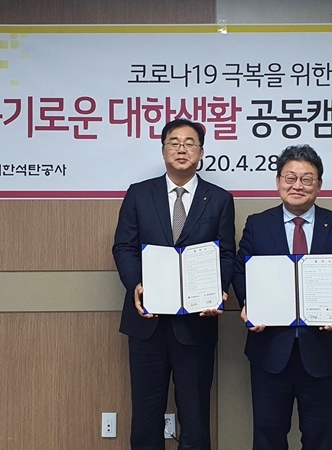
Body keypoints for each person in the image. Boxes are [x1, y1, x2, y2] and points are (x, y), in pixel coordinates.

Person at [232, 144, 332, 450]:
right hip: (270, 350)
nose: (298, 185)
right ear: (278, 181)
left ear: (319, 185)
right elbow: (240, 272)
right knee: (267, 438)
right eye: (290, 178)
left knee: (321, 440)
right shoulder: (258, 224)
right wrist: (248, 304)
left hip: (322, 352)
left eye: (307, 179)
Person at [113, 118, 235, 450]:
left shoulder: (219, 199)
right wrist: (136, 284)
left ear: (202, 153)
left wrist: (218, 291)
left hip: (196, 323)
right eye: (174, 142)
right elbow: (124, 247)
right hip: (147, 322)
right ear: (163, 150)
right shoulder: (139, 194)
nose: (182, 149)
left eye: (190, 143)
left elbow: (226, 254)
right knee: (146, 416)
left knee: (195, 416)